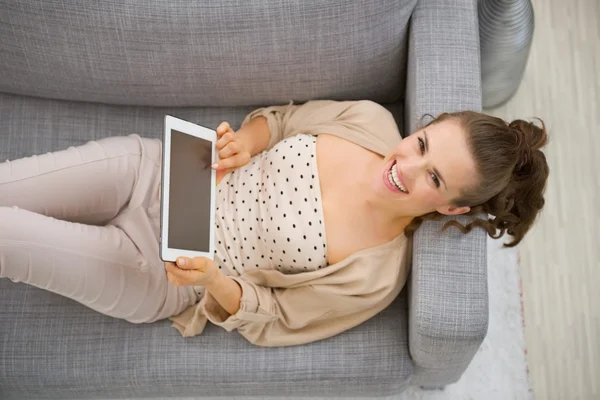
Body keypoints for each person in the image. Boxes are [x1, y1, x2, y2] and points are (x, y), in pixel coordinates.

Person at [0, 100, 549, 346]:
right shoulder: (369, 121)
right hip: (159, 169)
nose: (404, 167)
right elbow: (283, 120)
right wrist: (244, 143)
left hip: (160, 270)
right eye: (422, 144)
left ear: (451, 207)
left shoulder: (376, 275)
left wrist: (210, 281)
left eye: (432, 178)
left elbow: (277, 317)